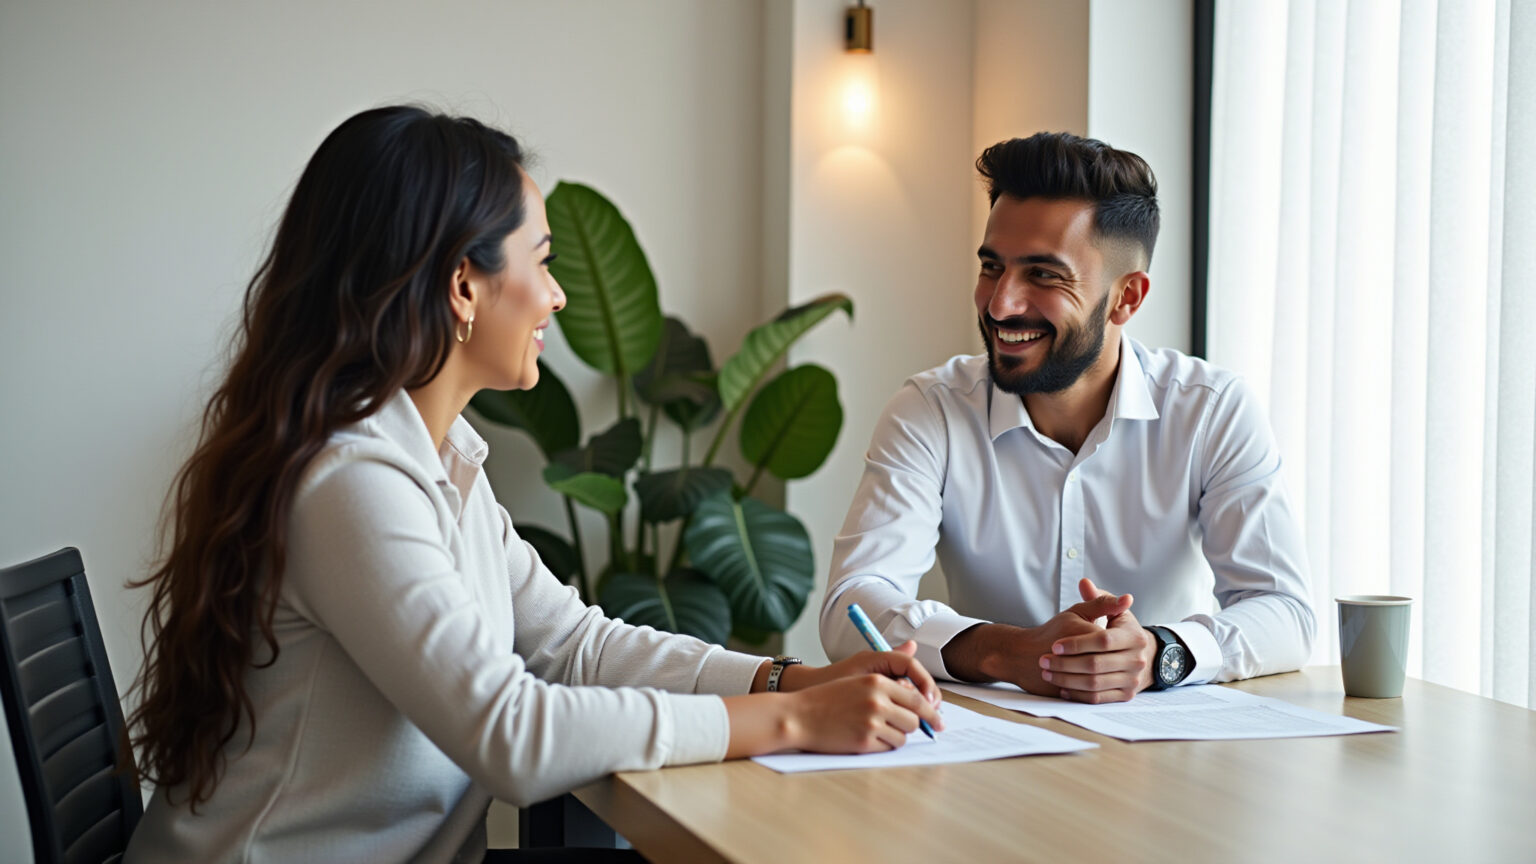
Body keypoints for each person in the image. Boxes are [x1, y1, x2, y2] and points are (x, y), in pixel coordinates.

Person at [123, 105, 943, 864]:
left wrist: (787, 679)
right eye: (542, 262)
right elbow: (510, 734)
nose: (555, 296)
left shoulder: (436, 464)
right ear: (462, 285)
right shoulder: (350, 482)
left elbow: (574, 643)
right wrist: (794, 721)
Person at [819, 131, 1314, 705]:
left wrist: (1162, 652)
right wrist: (1003, 650)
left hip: (1165, 757)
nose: (1001, 303)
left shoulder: (1211, 409)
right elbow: (851, 605)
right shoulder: (930, 411)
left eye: (1043, 275)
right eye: (992, 267)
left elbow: (1286, 612)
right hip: (981, 754)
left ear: (1127, 299)